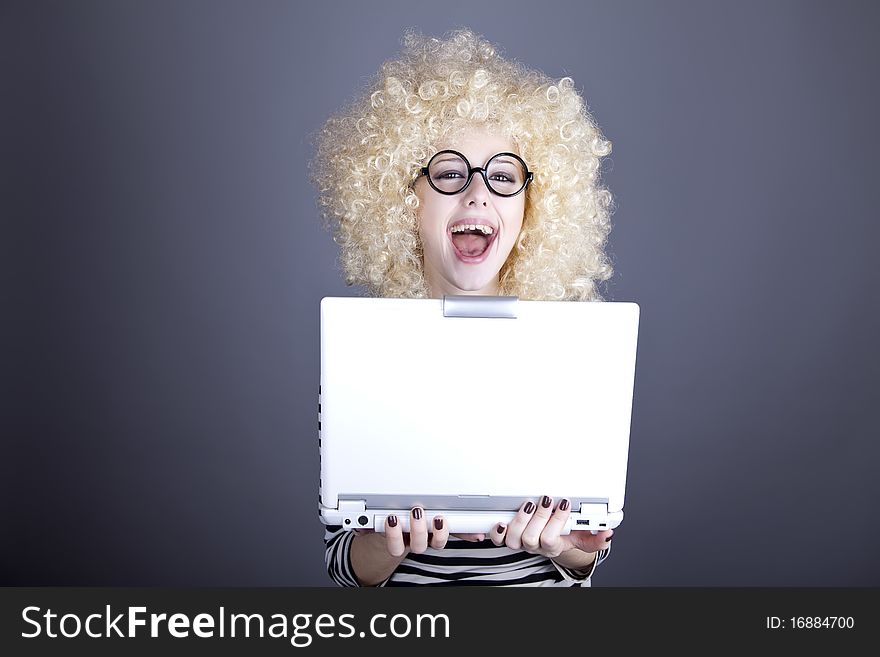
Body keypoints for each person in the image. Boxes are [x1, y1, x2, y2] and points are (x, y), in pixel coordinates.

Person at [310, 28, 616, 586]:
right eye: (450, 173)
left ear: (533, 207)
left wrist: (573, 550)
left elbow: (584, 557)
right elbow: (343, 565)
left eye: (503, 177)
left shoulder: (571, 354)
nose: (477, 194)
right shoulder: (361, 356)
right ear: (406, 200)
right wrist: (385, 545)